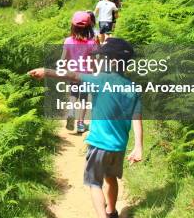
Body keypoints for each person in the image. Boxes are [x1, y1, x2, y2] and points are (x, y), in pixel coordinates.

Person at [28, 38, 143, 218]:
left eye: (104, 57)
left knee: (94, 183)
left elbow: (72, 75)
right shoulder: (133, 88)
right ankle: (112, 212)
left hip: (99, 144)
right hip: (119, 146)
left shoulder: (100, 79)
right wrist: (138, 147)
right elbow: (137, 118)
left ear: (112, 61)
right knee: (111, 178)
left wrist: (46, 72)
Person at [62, 11, 99, 133]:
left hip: (73, 74)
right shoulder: (92, 43)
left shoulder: (68, 41)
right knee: (83, 98)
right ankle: (81, 124)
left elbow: (63, 59)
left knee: (73, 95)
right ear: (89, 27)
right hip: (86, 75)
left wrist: (62, 70)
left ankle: (71, 112)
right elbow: (93, 61)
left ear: (72, 26)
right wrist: (95, 73)